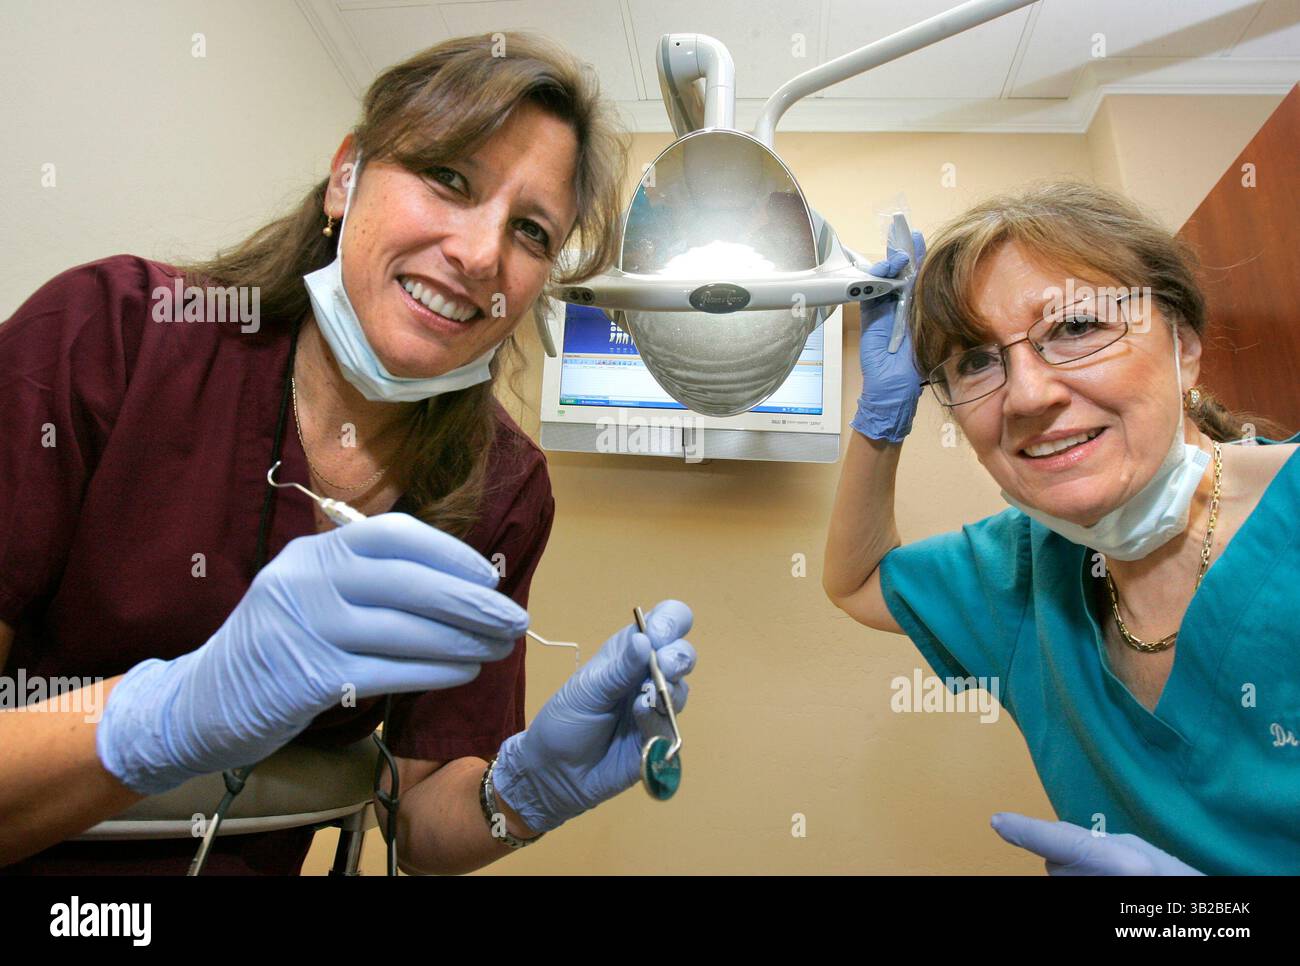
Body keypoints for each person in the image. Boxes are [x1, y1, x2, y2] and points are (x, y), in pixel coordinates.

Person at [0, 33, 696, 875]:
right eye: (448, 179)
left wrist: (522, 794)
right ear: (346, 177)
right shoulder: (109, 337)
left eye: (531, 231)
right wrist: (170, 715)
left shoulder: (503, 489)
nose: (481, 255)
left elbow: (422, 816)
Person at [825, 181, 1298, 875]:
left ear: (1185, 344)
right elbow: (857, 580)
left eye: (1075, 328)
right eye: (976, 361)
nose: (1027, 395)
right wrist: (879, 420)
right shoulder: (1018, 575)